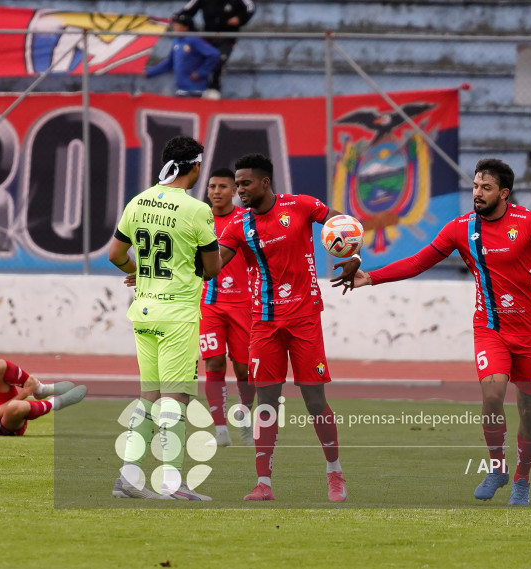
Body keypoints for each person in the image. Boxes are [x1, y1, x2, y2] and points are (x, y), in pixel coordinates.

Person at [333, 158, 531, 506]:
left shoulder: (530, 223)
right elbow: (418, 262)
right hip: (490, 329)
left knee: (529, 411)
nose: (477, 193)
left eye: (486, 188)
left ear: (504, 193)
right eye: (476, 186)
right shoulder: (461, 228)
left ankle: (522, 480)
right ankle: (497, 467)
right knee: (493, 395)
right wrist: (369, 276)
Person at [217, 153, 360, 502]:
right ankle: (263, 483)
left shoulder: (301, 206)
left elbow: (344, 222)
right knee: (266, 400)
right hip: (263, 322)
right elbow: (213, 265)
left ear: (265, 182)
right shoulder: (239, 226)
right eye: (237, 185)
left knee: (314, 400)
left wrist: (354, 255)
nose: (240, 191)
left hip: (304, 317)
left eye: (245, 184)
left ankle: (335, 473)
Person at [108, 135, 222, 500]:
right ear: (195, 167)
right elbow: (212, 266)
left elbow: (115, 253)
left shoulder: (138, 201)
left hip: (143, 311)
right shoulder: (197, 210)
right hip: (177, 315)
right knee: (176, 401)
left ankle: (127, 476)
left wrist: (139, 271)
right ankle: (172, 483)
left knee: (149, 398)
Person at [201, 167, 256, 447]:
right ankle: (220, 429)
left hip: (244, 303)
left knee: (245, 369)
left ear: (234, 191)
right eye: (212, 187)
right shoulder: (198, 219)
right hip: (209, 302)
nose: (216, 192)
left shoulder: (246, 220)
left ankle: (244, 415)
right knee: (214, 361)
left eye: (223, 187)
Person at [175, 0, 256, 98]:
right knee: (196, 59)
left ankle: (214, 88)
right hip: (208, 36)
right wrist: (178, 17)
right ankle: (196, 90)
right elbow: (187, 10)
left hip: (227, 37)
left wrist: (240, 18)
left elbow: (251, 7)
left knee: (220, 59)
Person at [145, 13, 221, 98]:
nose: (174, 27)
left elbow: (214, 54)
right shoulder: (176, 41)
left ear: (186, 28)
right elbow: (169, 63)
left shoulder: (194, 40)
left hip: (195, 90)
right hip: (181, 89)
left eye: (177, 25)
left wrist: (200, 72)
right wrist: (149, 73)